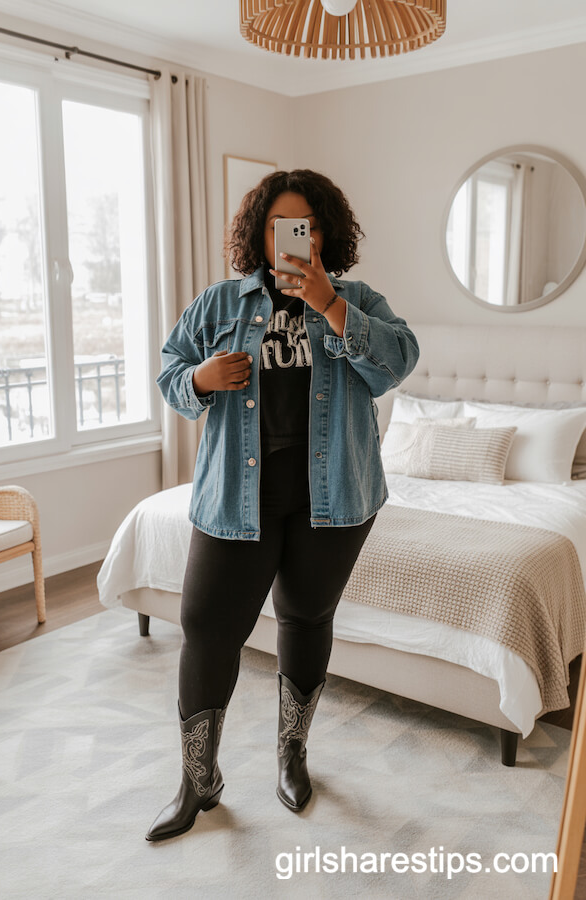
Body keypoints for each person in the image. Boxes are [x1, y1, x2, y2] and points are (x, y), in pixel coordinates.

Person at [146, 169, 419, 842]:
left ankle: (291, 753)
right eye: (279, 226)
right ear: (259, 235)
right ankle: (197, 779)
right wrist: (199, 381)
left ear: (325, 233)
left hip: (333, 499)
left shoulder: (356, 299)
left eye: (306, 226)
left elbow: (397, 362)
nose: (291, 238)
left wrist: (329, 304)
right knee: (207, 626)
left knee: (305, 618)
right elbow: (169, 370)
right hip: (236, 498)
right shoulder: (217, 305)